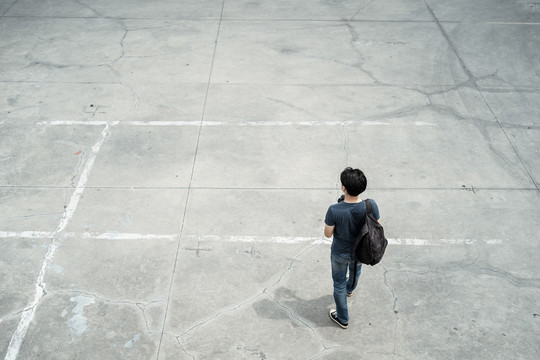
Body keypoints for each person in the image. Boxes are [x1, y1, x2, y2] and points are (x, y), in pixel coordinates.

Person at [324, 167, 380, 329]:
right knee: (356, 270)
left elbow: (328, 234)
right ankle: (351, 288)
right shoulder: (371, 205)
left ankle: (342, 317)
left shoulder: (334, 210)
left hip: (340, 252)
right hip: (360, 250)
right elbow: (378, 226)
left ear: (344, 187)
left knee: (338, 284)